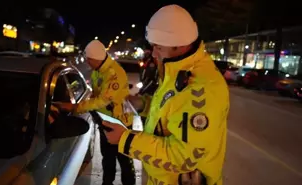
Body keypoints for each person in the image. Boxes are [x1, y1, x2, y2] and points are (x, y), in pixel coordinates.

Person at [101, 4, 229, 185]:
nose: (153, 53)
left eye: (158, 47)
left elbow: (185, 157)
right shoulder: (177, 69)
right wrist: (143, 105)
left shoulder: (201, 89)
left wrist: (126, 139)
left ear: (179, 45)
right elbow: (171, 110)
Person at [53, 40, 136, 185]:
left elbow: (101, 100)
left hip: (121, 124)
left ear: (94, 59)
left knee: (125, 161)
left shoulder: (113, 74)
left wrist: (75, 107)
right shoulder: (97, 72)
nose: (87, 63)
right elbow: (94, 95)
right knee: (107, 158)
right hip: (105, 121)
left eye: (88, 60)